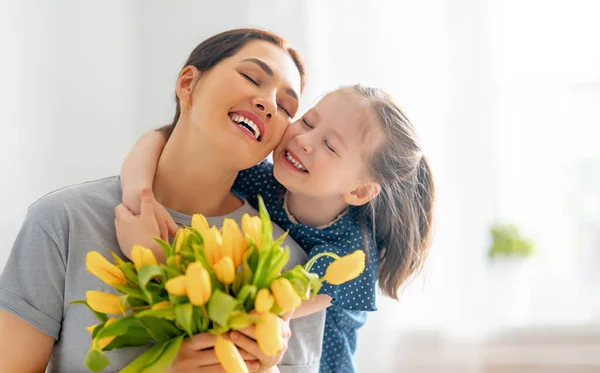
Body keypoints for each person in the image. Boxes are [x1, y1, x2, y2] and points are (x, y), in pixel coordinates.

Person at [0, 28, 326, 373]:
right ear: (188, 84)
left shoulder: (287, 263)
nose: (269, 104)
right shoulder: (66, 222)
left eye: (287, 107)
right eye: (250, 76)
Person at [118, 84, 436, 373]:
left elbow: (260, 309)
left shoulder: (351, 255)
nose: (303, 140)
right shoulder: (264, 181)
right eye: (308, 122)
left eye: (330, 146)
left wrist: (154, 256)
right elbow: (160, 138)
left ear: (359, 191)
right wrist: (140, 196)